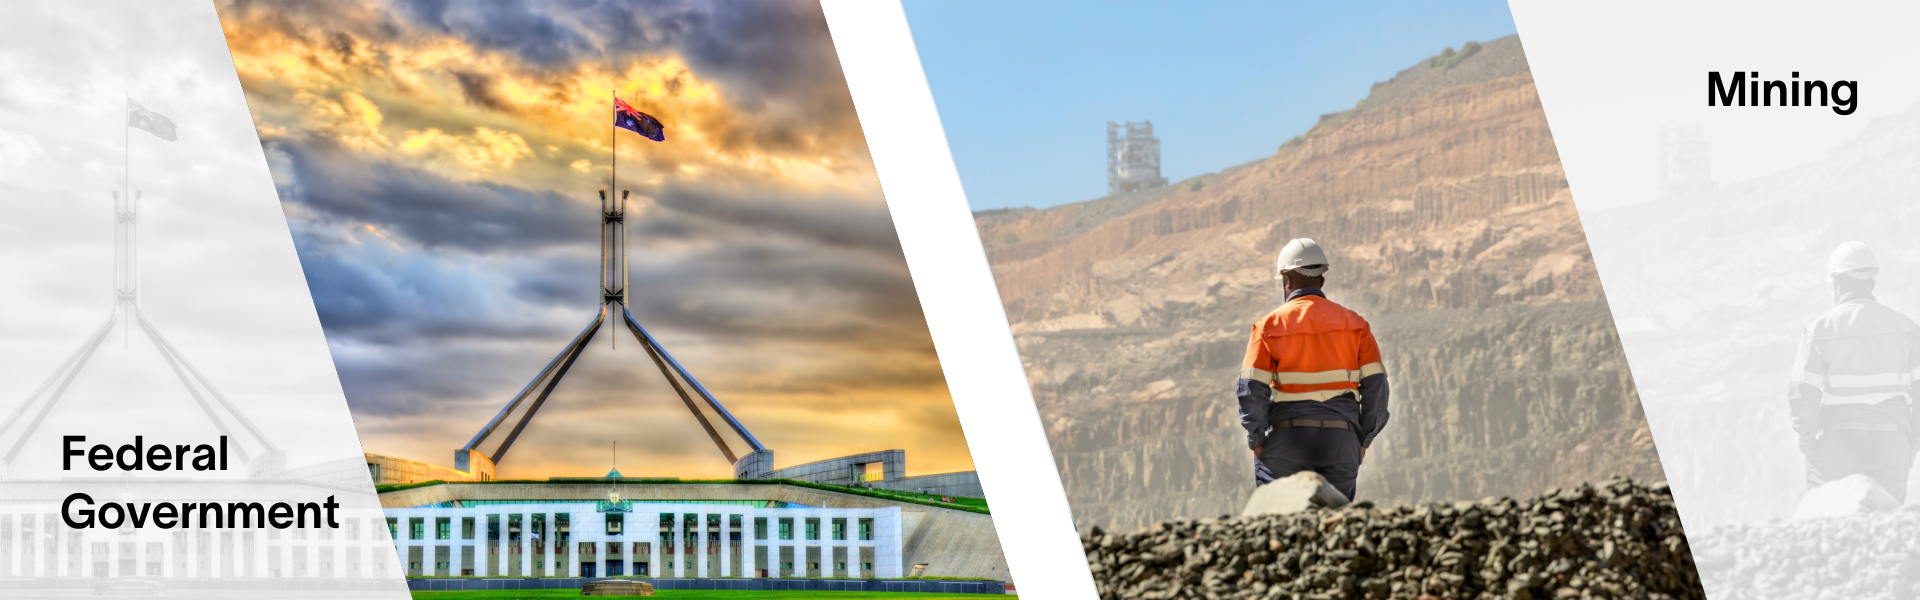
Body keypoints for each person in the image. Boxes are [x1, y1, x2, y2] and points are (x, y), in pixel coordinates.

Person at [1237, 238, 1389, 500]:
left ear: (1286, 279)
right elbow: (1377, 389)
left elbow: (1251, 391)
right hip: (1341, 441)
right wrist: (1363, 441)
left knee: (1281, 525)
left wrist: (1257, 440)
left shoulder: (1268, 327)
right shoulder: (1356, 324)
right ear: (1321, 279)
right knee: (1334, 528)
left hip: (1287, 440)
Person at [1788, 241, 1920, 502]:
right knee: (1886, 526)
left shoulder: (1820, 330)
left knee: (1829, 523)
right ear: (1871, 282)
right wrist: (1911, 440)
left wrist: (1807, 437)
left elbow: (1801, 391)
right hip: (1891, 443)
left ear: (1837, 282)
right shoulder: (1906, 328)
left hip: (1838, 443)